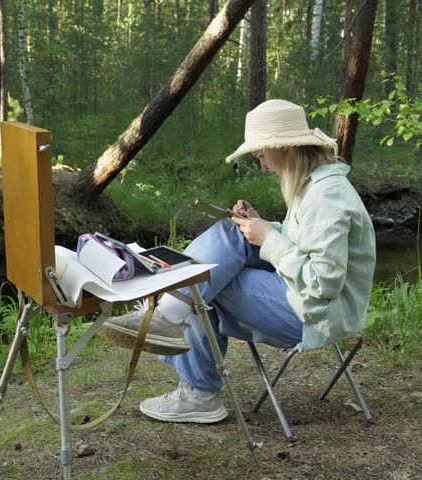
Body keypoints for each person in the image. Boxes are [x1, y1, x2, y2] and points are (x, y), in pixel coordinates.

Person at [96, 99, 376, 423]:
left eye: (260, 155)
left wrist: (269, 239)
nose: (261, 165)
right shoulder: (314, 184)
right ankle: (170, 318)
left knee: (206, 282)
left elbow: (323, 284)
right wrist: (262, 227)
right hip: (303, 298)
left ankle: (191, 375)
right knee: (230, 235)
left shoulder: (326, 197)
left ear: (282, 147)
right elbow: (305, 240)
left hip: (317, 313)